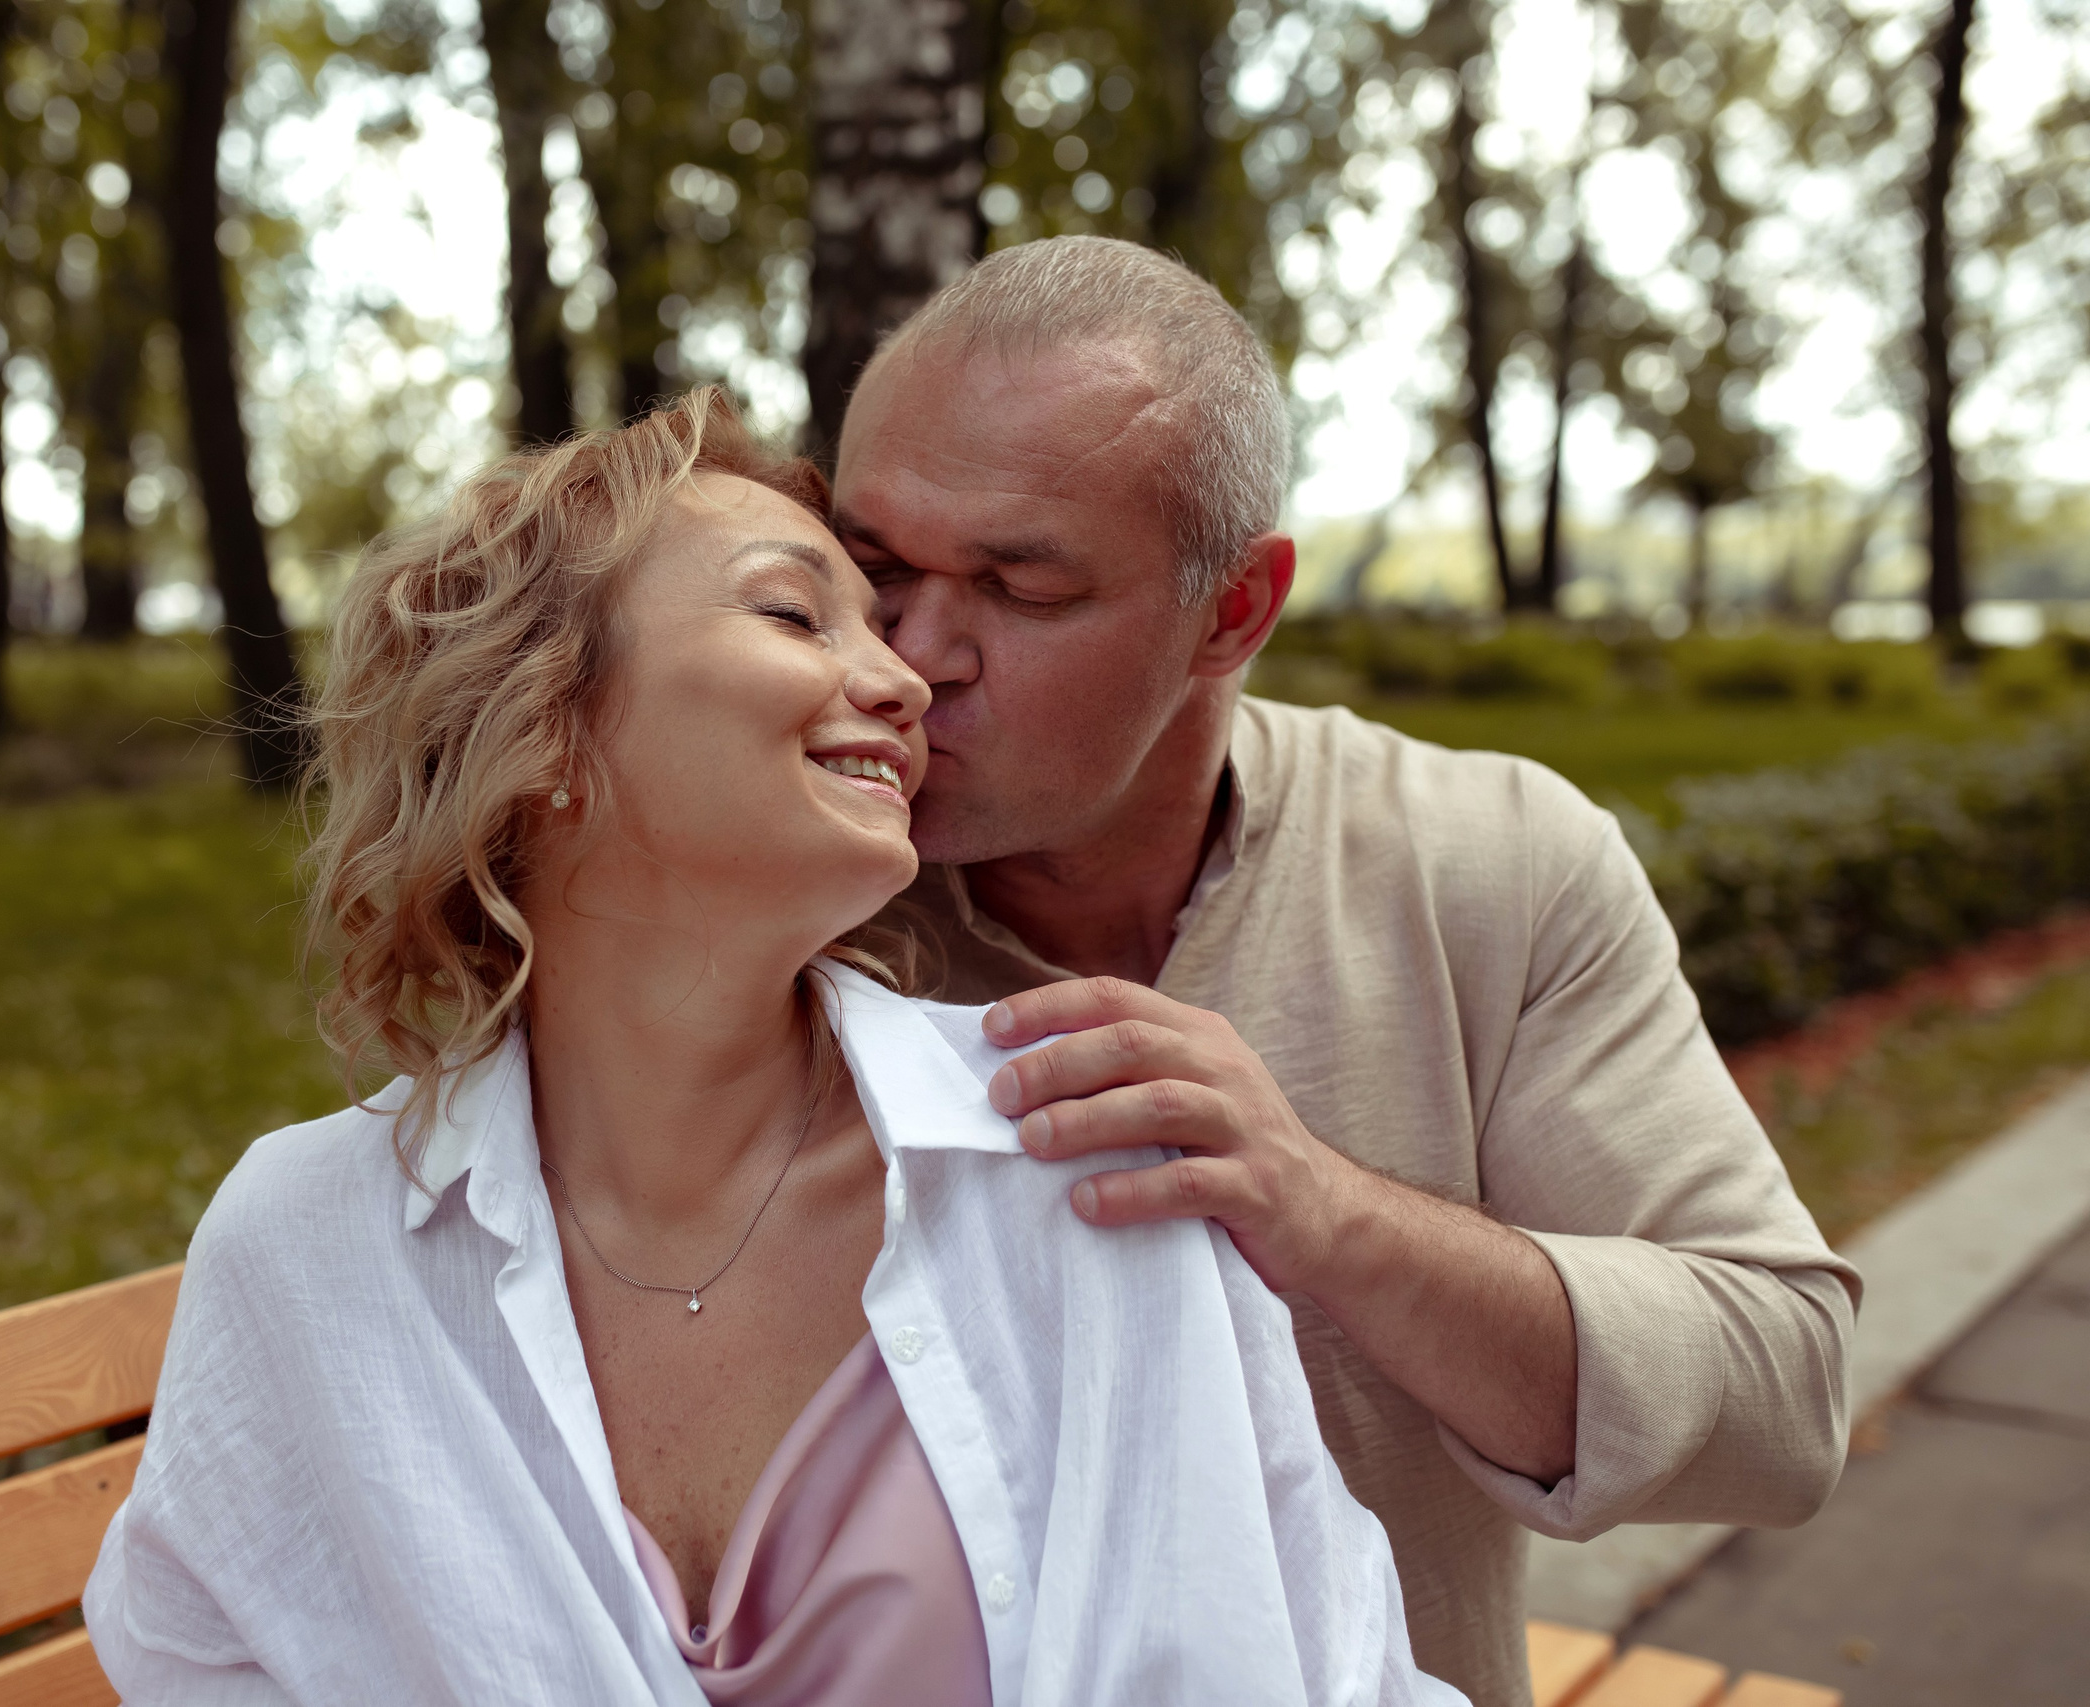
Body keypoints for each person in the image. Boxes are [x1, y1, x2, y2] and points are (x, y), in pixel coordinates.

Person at [82, 390, 1463, 1704]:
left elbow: (1327, 1666)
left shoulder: (1076, 1146)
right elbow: (210, 1667)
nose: (906, 678)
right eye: (799, 614)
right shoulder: (311, 1247)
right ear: (547, 727)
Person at [829, 235, 1859, 1707]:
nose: (914, 658)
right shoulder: (771, 907)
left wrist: (1323, 1214)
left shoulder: (1489, 861)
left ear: (1234, 610)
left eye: (1019, 587)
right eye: (874, 567)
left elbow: (1785, 1401)